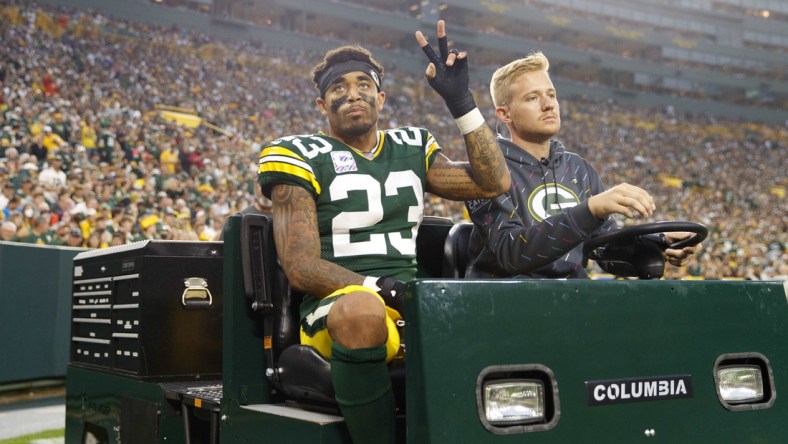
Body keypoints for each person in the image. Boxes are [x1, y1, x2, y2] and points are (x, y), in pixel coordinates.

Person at [256, 20, 509, 444]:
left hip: (410, 301)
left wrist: (461, 102)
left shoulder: (413, 145)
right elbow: (300, 267)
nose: (352, 93)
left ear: (381, 97)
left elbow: (494, 182)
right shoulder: (296, 152)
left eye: (363, 84)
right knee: (362, 312)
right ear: (322, 105)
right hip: (335, 307)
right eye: (338, 87)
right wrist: (382, 289)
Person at [464, 51, 701, 279]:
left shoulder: (578, 169)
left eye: (551, 94)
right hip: (504, 305)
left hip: (573, 301)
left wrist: (658, 243)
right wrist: (589, 211)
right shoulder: (487, 170)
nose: (548, 105)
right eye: (533, 97)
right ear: (505, 115)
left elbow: (602, 250)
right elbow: (511, 254)